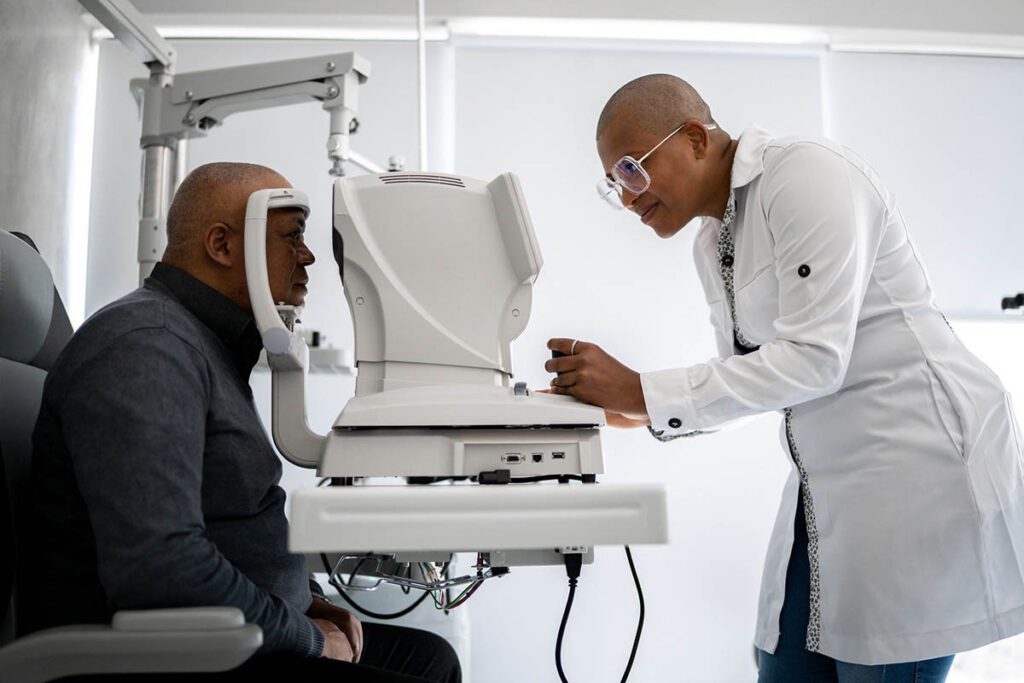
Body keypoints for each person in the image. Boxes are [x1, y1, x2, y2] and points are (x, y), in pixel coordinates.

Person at [545, 74, 1024, 682]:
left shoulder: (804, 175)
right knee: (781, 665)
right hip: (828, 480)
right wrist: (636, 410)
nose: (628, 196)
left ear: (694, 138)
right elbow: (750, 373)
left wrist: (645, 391)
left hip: (914, 469)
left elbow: (816, 359)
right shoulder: (712, 240)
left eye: (633, 170)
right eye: (614, 183)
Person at [18, 162, 461, 683]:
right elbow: (162, 572)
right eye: (292, 234)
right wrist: (308, 637)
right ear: (224, 246)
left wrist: (309, 602)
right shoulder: (146, 348)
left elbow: (232, 524)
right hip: (173, 657)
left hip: (233, 636)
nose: (309, 254)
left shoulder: (205, 346)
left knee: (431, 658)